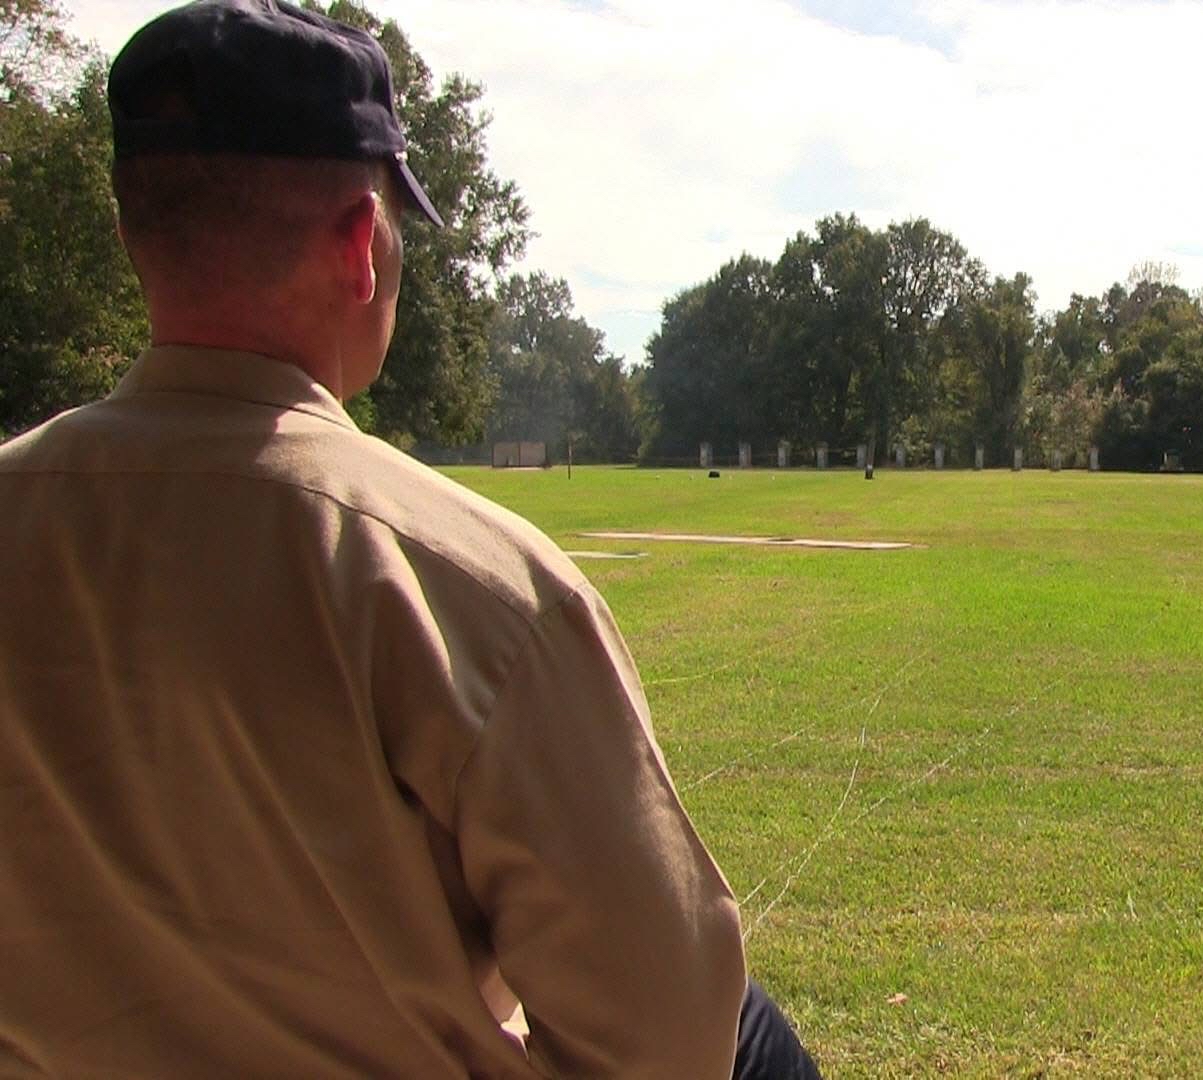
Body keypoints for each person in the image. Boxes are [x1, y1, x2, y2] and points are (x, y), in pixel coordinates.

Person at [0, 2, 818, 1076]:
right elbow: (667, 1034)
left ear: (131, 232)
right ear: (358, 247)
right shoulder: (470, 584)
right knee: (742, 1028)